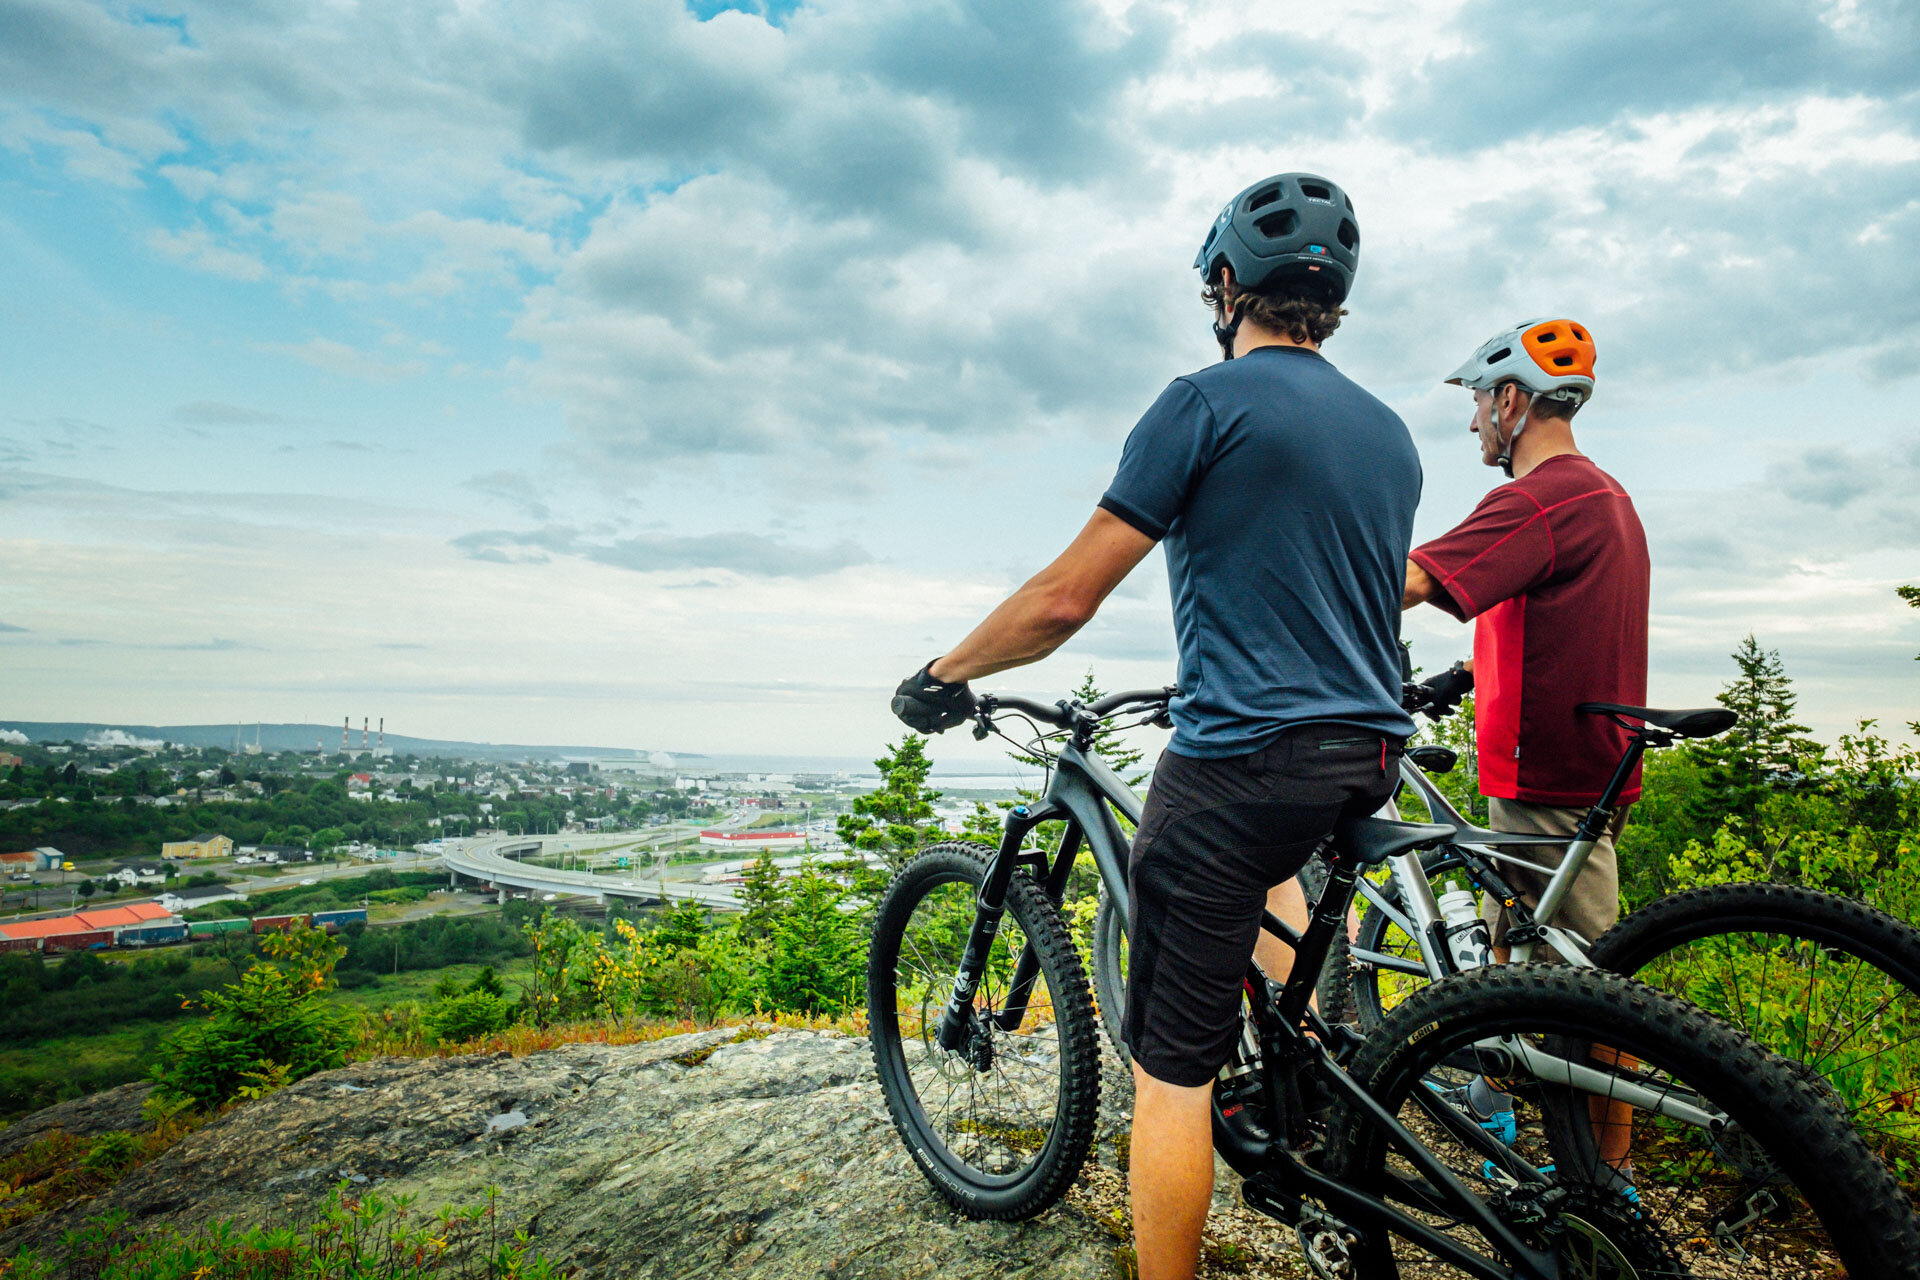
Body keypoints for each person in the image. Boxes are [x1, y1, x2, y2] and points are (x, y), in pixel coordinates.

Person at [891, 173, 1419, 1280]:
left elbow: (1061, 601)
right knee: (1267, 891)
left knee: (1168, 1066)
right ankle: (1297, 1084)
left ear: (1227, 284)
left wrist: (944, 671)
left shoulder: (1203, 403)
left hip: (1243, 763)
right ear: (1332, 300)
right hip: (1364, 751)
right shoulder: (1390, 433)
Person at [1402, 317, 1650, 1154]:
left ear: (1511, 400)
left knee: (1588, 992)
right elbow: (1554, 627)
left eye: (1477, 403)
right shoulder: (1603, 496)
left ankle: (1605, 1185)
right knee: (1518, 944)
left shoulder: (1537, 498)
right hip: (1577, 767)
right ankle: (1495, 1108)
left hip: (1548, 783)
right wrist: (1464, 678)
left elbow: (1410, 578)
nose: (1473, 421)